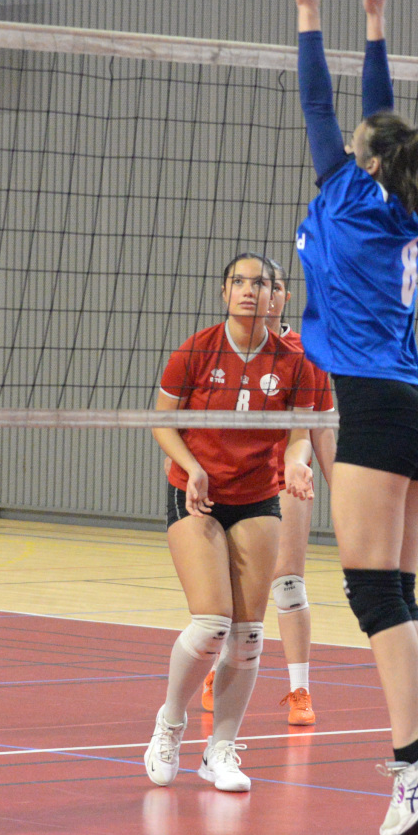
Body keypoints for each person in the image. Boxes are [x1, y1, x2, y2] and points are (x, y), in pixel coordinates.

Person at [293, 0, 418, 835]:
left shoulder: (345, 191)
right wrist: (373, 24)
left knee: (372, 594)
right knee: (395, 590)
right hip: (417, 411)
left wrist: (308, 13)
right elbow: (374, 117)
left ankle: (412, 761)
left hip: (372, 404)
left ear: (364, 160)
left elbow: (323, 105)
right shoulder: (405, 205)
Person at [144, 252, 320, 793]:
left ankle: (220, 749)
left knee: (247, 637)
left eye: (259, 283)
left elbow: (300, 434)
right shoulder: (196, 350)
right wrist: (193, 467)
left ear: (276, 296)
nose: (249, 290)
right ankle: (170, 722)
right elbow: (162, 421)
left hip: (257, 496)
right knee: (211, 622)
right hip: (196, 492)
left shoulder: (296, 363)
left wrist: (297, 463)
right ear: (225, 292)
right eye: (239, 282)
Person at [200, 256, 337, 726]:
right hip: (233, 480)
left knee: (288, 583)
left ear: (284, 297)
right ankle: (219, 672)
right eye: (254, 284)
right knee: (233, 592)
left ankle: (300, 690)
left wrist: (337, 489)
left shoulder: (305, 355)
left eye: (272, 286)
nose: (263, 293)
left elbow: (320, 428)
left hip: (285, 477)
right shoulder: (220, 347)